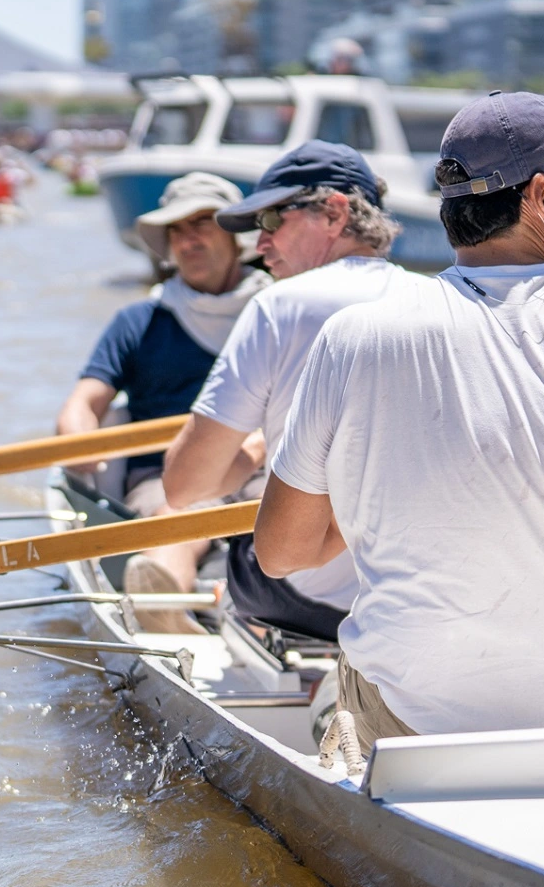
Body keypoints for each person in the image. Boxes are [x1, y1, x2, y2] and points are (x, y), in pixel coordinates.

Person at [256, 91, 544, 758]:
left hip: (424, 722)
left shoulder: (354, 337)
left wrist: (380, 507)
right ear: (543, 199)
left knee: (334, 695)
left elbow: (283, 552)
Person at [160, 141, 418, 642]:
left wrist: (256, 446)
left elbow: (183, 487)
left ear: (335, 212)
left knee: (229, 528)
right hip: (418, 595)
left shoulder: (277, 306)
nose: (260, 245)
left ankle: (235, 624)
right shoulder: (441, 299)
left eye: (274, 220)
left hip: (313, 600)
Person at [57, 173, 272, 632]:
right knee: (178, 511)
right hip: (167, 479)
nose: (187, 240)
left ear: (237, 238)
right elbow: (83, 405)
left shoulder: (279, 310)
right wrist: (80, 442)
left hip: (261, 469)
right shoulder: (138, 321)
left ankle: (278, 631)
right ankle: (164, 611)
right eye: (176, 230)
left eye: (201, 224)